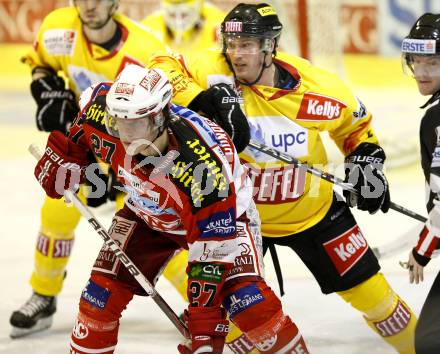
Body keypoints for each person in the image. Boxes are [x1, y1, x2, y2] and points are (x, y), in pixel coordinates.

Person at [149, 3, 418, 353]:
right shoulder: (213, 71)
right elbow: (158, 68)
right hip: (236, 220)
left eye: (246, 45)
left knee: (377, 299)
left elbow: (356, 128)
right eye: (231, 44)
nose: (236, 54)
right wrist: (200, 98)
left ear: (270, 47)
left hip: (311, 214)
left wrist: (366, 160)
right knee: (226, 320)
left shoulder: (317, 89)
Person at [33, 64, 311, 354]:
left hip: (224, 220)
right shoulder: (102, 112)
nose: (125, 135)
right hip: (147, 210)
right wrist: (64, 161)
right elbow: (79, 135)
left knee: (249, 302)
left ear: (160, 117)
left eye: (135, 124)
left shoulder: (203, 168)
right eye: (118, 123)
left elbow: (211, 254)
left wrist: (205, 326)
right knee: (99, 296)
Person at [9, 0, 174, 338]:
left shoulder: (145, 50)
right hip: (84, 147)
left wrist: (136, 165)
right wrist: (45, 88)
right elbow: (41, 65)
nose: (89, 6)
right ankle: (44, 294)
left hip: (131, 157)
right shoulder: (59, 29)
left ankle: (210, 306)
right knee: (55, 216)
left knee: (161, 231)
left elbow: (168, 115)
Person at [402, 13, 440, 354]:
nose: (421, 72)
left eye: (433, 62)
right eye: (416, 61)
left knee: (430, 344)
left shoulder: (437, 119)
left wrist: (422, 249)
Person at [142, 0, 225, 58]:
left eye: (184, 15)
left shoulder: (220, 25)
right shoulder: (149, 28)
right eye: (173, 15)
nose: (178, 21)